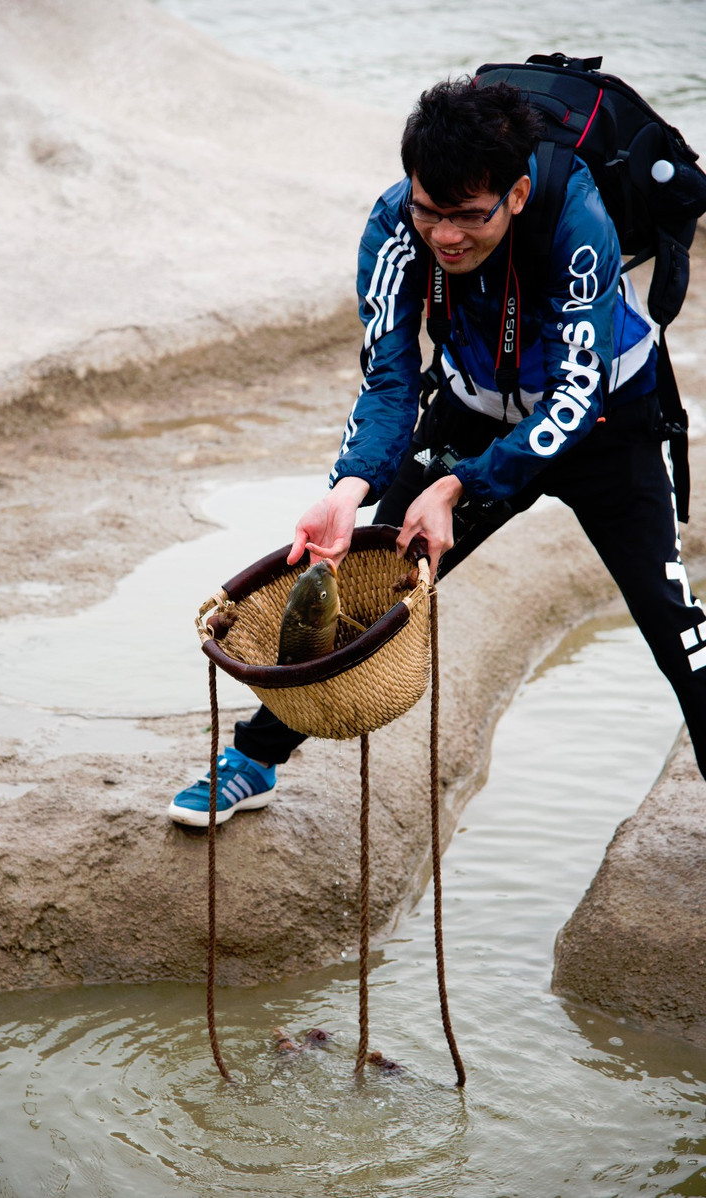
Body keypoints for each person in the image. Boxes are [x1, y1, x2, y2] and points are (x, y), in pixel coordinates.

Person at [169, 77, 706, 826]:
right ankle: (253, 761)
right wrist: (352, 486)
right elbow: (388, 381)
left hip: (607, 422)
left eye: (467, 216)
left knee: (672, 620)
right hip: (472, 411)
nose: (445, 235)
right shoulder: (395, 226)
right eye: (430, 210)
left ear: (517, 194)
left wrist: (461, 488)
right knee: (367, 589)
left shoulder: (574, 217)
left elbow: (576, 399)